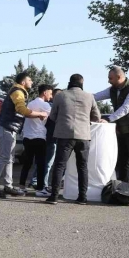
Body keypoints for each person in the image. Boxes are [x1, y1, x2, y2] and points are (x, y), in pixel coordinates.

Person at [0, 72, 48, 199]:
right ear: (23, 82)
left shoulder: (18, 91)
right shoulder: (18, 92)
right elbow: (21, 109)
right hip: (6, 128)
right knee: (5, 157)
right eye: (30, 79)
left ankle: (8, 186)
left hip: (9, 128)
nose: (32, 82)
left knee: (10, 158)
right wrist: (40, 114)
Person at [45, 74, 101, 205]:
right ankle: (82, 197)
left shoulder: (60, 95)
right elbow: (96, 117)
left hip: (65, 135)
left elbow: (52, 116)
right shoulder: (89, 96)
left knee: (59, 165)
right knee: (82, 167)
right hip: (83, 136)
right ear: (82, 83)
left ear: (70, 82)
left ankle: (54, 196)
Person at [93, 66, 129, 184]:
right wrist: (79, 96)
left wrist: (109, 119)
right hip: (123, 130)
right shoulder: (113, 89)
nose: (108, 81)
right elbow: (95, 96)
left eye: (110, 78)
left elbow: (127, 108)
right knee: (122, 160)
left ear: (119, 77)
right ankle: (122, 188)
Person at [18, 84, 54, 192]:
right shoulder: (46, 105)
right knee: (41, 164)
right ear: (45, 92)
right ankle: (40, 189)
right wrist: (41, 114)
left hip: (27, 137)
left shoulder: (30, 103)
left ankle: (21, 187)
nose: (51, 96)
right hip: (39, 137)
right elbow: (54, 116)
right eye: (50, 93)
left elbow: (27, 114)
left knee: (27, 163)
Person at [34, 88, 63, 198]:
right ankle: (43, 185)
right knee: (48, 162)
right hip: (51, 138)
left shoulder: (52, 106)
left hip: (52, 137)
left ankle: (38, 181)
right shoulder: (50, 107)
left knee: (46, 162)